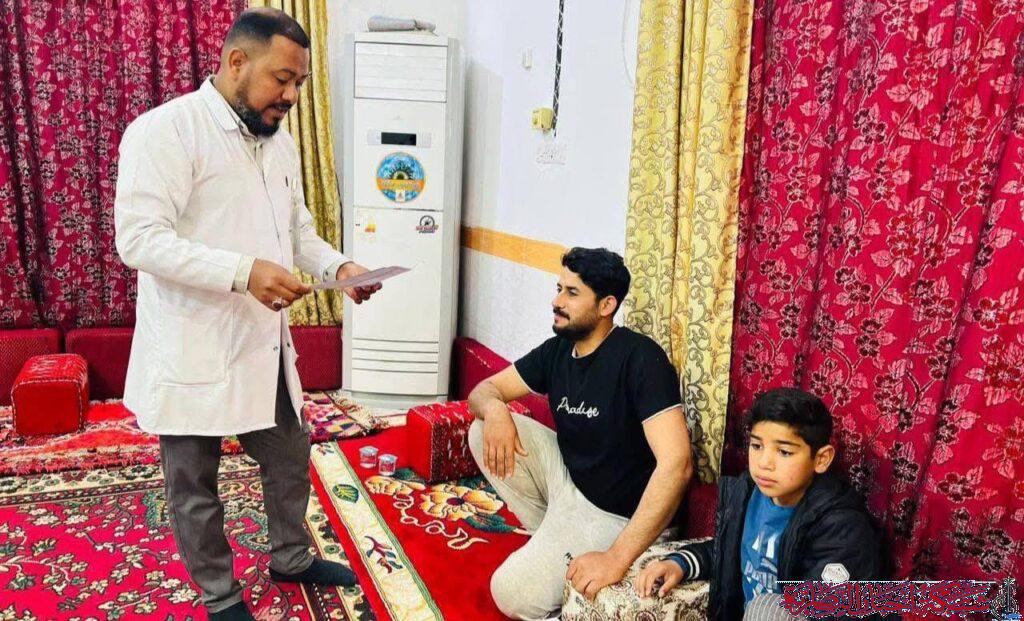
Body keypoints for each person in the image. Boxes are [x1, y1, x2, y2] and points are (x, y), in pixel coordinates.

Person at [114, 9, 379, 620]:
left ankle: (291, 557)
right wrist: (243, 271)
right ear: (237, 62)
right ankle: (220, 595)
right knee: (194, 485)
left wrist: (339, 266)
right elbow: (140, 240)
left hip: (263, 341)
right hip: (194, 343)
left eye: (299, 84)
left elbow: (297, 229)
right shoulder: (165, 132)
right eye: (281, 80)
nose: (291, 97)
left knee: (290, 456)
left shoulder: (278, 142)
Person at [466, 247, 695, 619]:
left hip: (616, 514)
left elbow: (677, 465)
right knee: (481, 430)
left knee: (509, 593)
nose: (557, 302)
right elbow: (484, 391)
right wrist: (495, 410)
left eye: (572, 293)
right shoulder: (559, 350)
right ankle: (553, 535)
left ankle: (565, 550)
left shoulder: (641, 359)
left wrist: (616, 558)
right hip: (569, 483)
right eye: (559, 289)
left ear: (606, 305)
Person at [635, 388, 887, 621]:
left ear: (821, 459)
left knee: (765, 608)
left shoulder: (841, 526)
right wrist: (679, 564)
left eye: (784, 452)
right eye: (757, 446)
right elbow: (730, 552)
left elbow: (827, 608)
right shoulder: (748, 494)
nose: (764, 463)